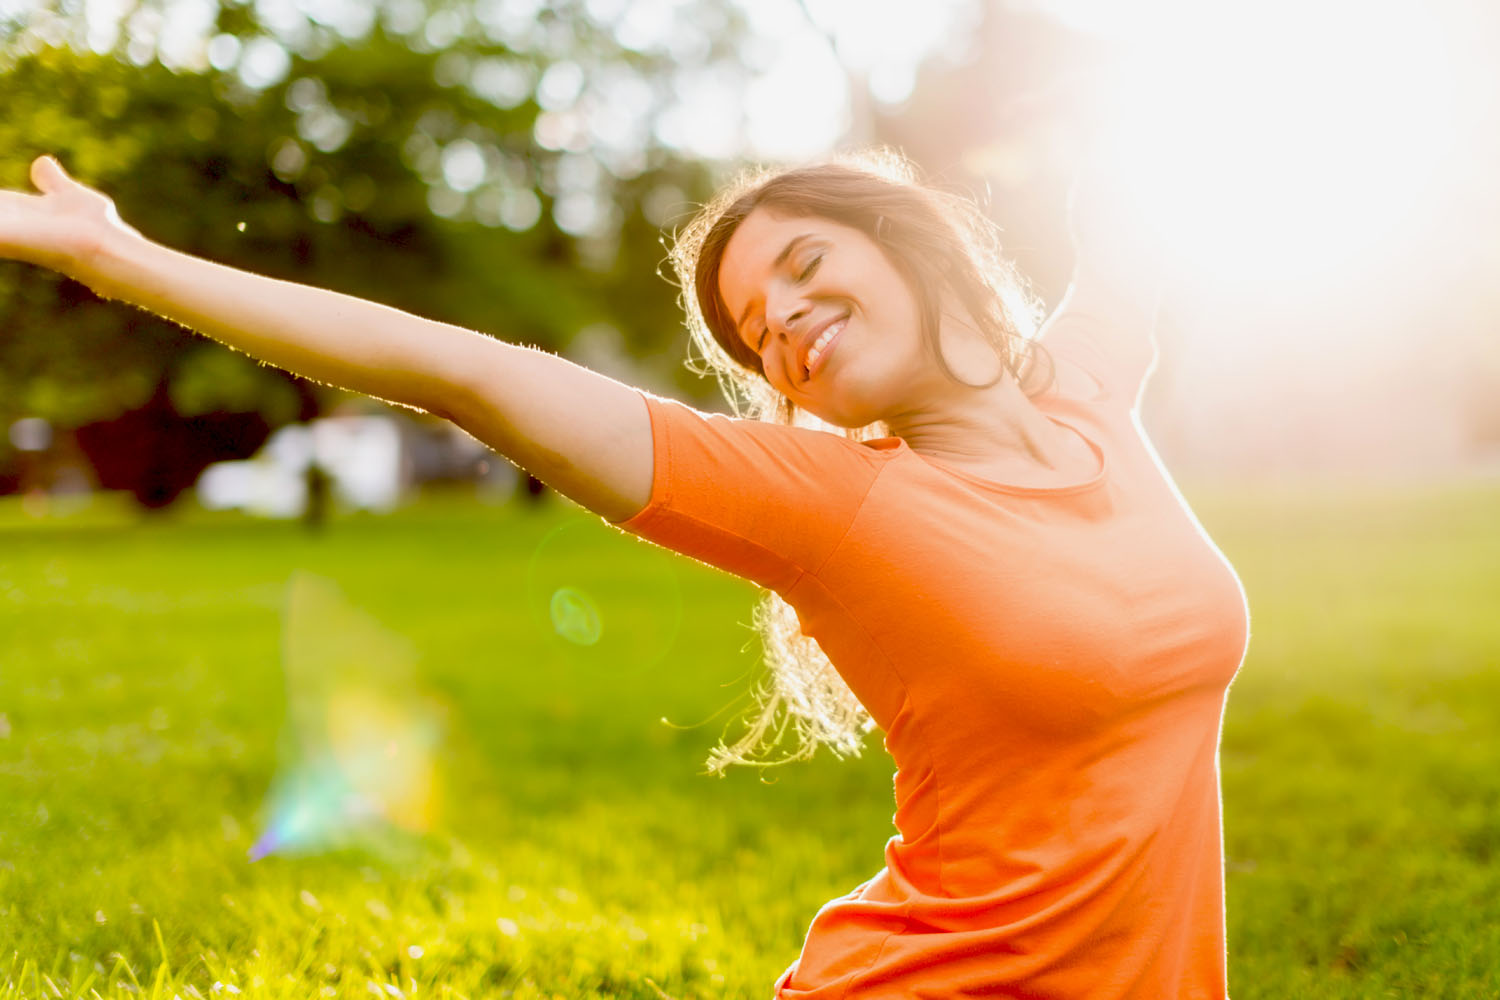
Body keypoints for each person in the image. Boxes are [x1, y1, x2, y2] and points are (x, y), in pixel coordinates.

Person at [0, 148, 1248, 998]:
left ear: (907, 247)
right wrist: (119, 261)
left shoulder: (1087, 392)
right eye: (759, 330)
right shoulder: (825, 503)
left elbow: (1148, 195)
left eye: (806, 268)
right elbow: (463, 370)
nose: (786, 323)